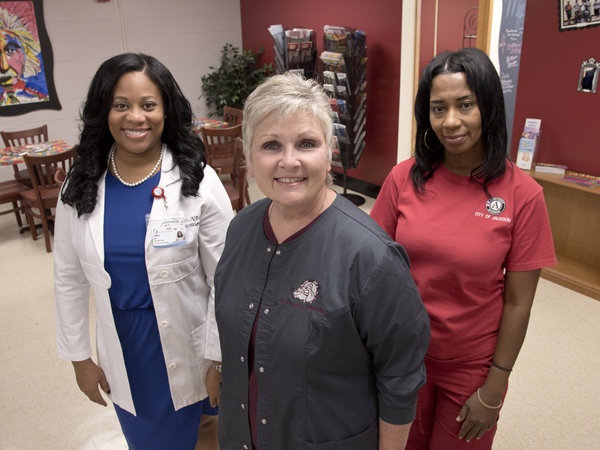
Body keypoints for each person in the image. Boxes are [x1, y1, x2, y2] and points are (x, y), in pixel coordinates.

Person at [214, 72, 430, 450]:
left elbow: (400, 377)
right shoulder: (241, 228)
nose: (289, 161)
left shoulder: (371, 257)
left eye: (306, 143)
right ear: (248, 156)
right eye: (270, 145)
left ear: (330, 151)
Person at [371, 48, 557, 449]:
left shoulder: (523, 195)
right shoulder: (404, 178)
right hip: (401, 357)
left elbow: (518, 304)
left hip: (470, 367)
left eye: (465, 105)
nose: (450, 121)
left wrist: (494, 389)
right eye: (438, 108)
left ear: (488, 107)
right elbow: (369, 265)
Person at [54, 53, 233, 450]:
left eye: (148, 105)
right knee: (151, 441)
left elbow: (226, 276)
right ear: (104, 111)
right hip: (127, 347)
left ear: (166, 110)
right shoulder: (80, 183)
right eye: (122, 105)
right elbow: (67, 278)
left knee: (209, 430)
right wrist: (80, 359)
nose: (136, 117)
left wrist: (220, 357)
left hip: (194, 337)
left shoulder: (197, 179)